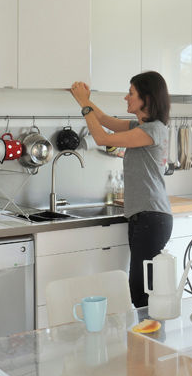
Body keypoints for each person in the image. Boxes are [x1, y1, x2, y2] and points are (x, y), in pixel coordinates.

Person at [70, 71, 173, 308]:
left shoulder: (152, 130)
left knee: (141, 292)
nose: (126, 98)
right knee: (141, 289)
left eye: (131, 93)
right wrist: (82, 99)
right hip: (144, 217)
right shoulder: (143, 126)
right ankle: (147, 340)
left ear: (146, 98)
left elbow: (102, 138)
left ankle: (150, 341)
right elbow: (105, 120)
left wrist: (85, 103)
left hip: (151, 218)